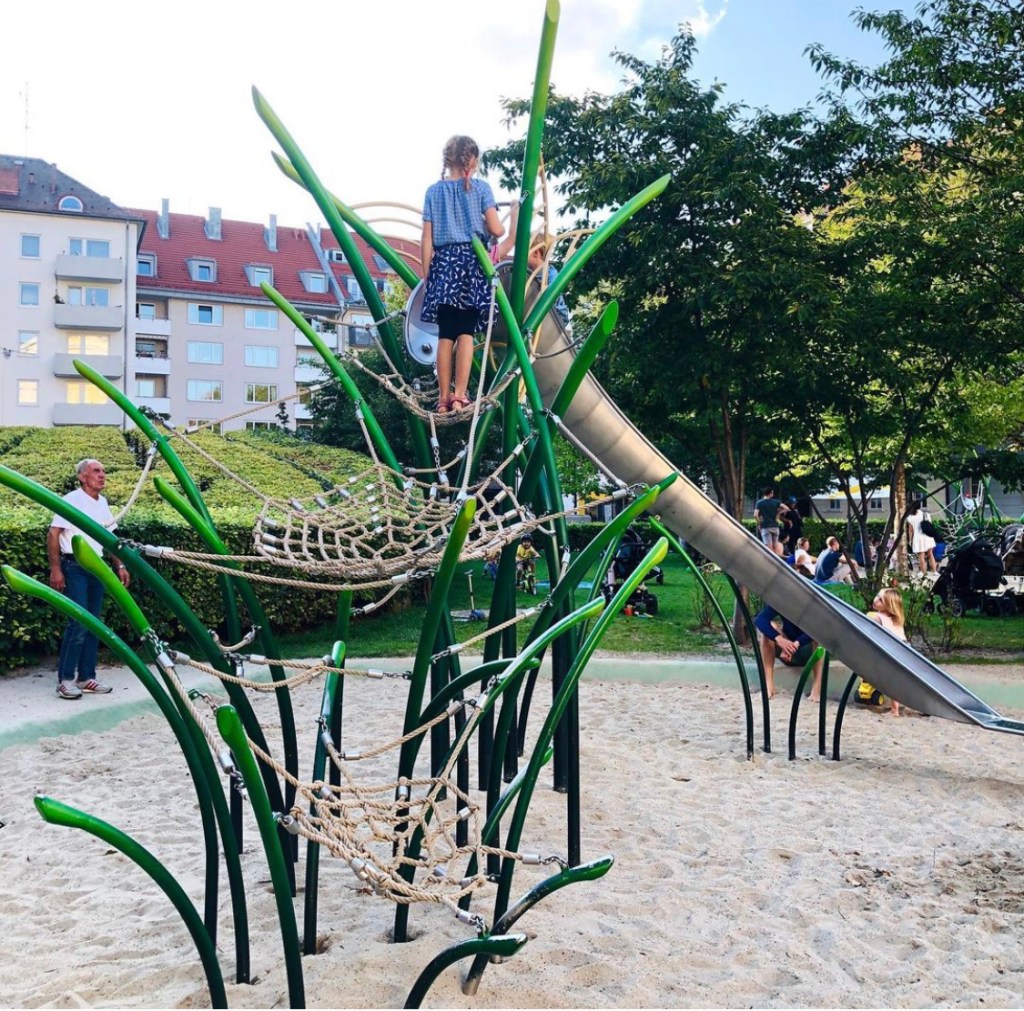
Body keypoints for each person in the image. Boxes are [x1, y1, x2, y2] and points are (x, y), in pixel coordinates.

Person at [420, 135, 504, 414]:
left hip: (444, 265)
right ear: (473, 161)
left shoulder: (433, 192)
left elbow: (426, 239)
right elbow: (497, 229)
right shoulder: (481, 189)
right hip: (471, 263)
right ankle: (459, 395)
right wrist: (497, 222)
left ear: (448, 160)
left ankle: (443, 399)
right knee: (466, 332)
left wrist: (427, 277)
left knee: (445, 334)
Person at [47, 459, 131, 700]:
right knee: (78, 622)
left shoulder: (102, 502)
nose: (102, 475)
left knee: (93, 622)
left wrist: (120, 564)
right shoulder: (72, 499)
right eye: (96, 471)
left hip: (97, 567)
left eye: (103, 471)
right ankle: (65, 680)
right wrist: (56, 569)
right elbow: (53, 534)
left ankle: (86, 677)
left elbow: (110, 537)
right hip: (74, 566)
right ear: (82, 477)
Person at [753, 604, 824, 703]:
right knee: (769, 627)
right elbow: (760, 620)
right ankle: (768, 685)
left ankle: (817, 688)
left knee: (821, 637)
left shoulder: (813, 602)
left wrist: (796, 644)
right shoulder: (783, 600)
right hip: (786, 650)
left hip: (809, 653)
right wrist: (780, 640)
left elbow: (820, 627)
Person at [858, 588, 907, 716]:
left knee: (889, 681)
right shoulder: (897, 620)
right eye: (877, 596)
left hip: (891, 651)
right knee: (894, 681)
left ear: (889, 607)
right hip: (903, 651)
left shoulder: (878, 617)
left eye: (881, 600)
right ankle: (895, 707)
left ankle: (894, 710)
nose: (876, 600)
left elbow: (864, 625)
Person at [528, 234, 571, 326]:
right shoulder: (528, 271)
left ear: (536, 253)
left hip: (556, 318)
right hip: (538, 315)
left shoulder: (550, 272)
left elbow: (552, 296)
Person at [753, 486, 790, 556]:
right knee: (775, 546)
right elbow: (787, 508)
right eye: (772, 493)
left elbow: (755, 515)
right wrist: (778, 513)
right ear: (770, 494)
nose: (773, 494)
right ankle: (777, 560)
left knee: (769, 549)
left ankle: (770, 561)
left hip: (765, 527)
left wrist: (759, 524)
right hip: (775, 526)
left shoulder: (759, 503)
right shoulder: (776, 502)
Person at [906, 499, 938, 572]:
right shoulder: (925, 514)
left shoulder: (910, 517)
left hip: (918, 538)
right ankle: (935, 571)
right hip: (927, 537)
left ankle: (924, 573)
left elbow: (910, 530)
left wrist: (910, 541)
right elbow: (930, 525)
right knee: (930, 554)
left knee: (921, 556)